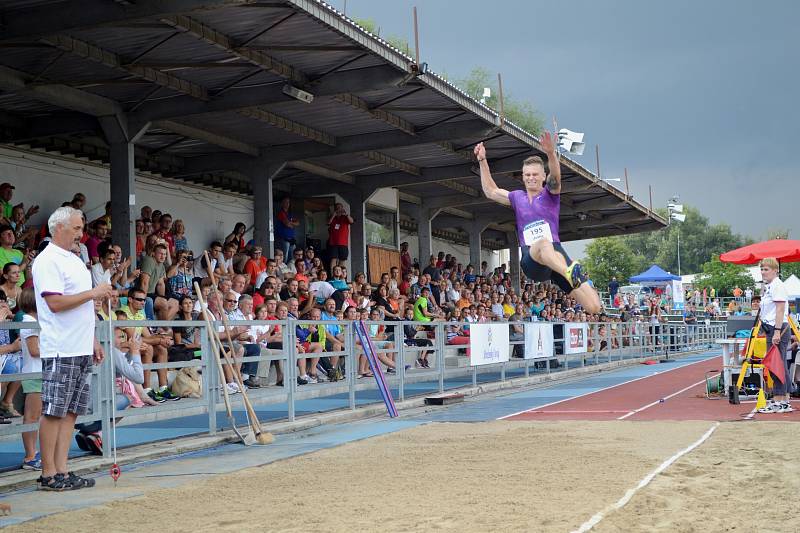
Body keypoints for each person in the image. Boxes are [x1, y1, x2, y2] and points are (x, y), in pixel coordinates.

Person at [32, 206, 112, 490]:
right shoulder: (48, 260)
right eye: (77, 228)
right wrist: (94, 292)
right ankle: (49, 472)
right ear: (59, 228)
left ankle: (62, 469)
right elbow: (54, 302)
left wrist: (91, 339)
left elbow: (82, 305)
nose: (81, 234)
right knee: (55, 410)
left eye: (81, 228)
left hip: (78, 344)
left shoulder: (74, 259)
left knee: (71, 411)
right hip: (61, 347)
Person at [475, 136, 601, 314]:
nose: (531, 178)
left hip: (557, 255)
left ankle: (569, 273)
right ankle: (568, 271)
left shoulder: (550, 195)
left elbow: (556, 176)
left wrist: (550, 153)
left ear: (543, 176)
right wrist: (482, 160)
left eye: (535, 174)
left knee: (594, 307)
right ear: (523, 177)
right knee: (542, 242)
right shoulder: (517, 197)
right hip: (533, 259)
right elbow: (491, 191)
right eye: (527, 175)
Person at [757, 257, 792, 413]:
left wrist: (777, 331)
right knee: (778, 364)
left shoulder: (777, 286)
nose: (763, 272)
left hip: (777, 328)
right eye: (762, 269)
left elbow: (780, 310)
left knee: (777, 365)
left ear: (775, 270)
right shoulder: (770, 286)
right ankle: (782, 399)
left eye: (766, 269)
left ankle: (780, 400)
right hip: (771, 328)